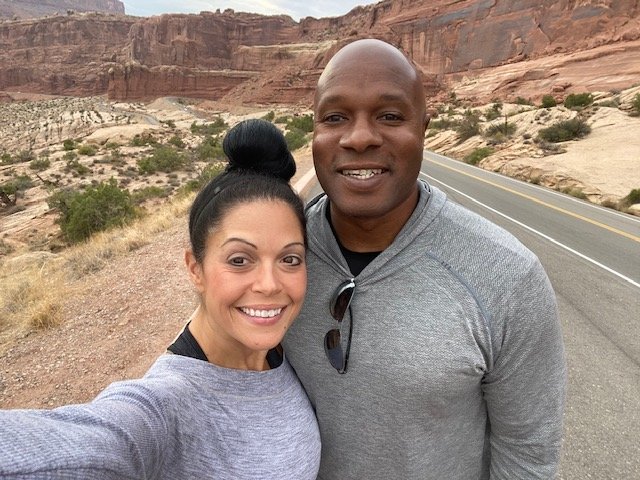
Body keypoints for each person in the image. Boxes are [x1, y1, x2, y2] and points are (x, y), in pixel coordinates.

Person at [283, 38, 567, 479]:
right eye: (335, 117)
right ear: (314, 131)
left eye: (390, 116)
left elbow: (527, 454)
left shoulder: (508, 276)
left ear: (424, 130)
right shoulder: (274, 258)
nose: (359, 138)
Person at [0, 119, 321, 479]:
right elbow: (97, 446)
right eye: (239, 260)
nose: (269, 284)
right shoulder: (167, 406)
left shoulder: (281, 351)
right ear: (195, 268)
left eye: (289, 259)